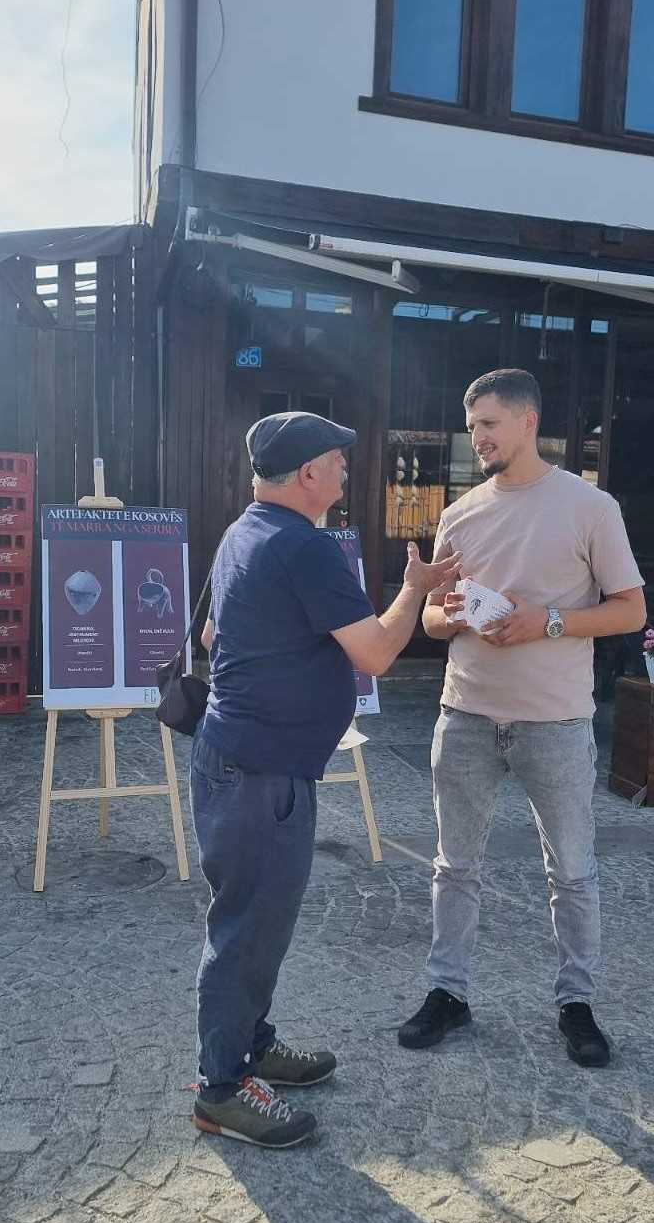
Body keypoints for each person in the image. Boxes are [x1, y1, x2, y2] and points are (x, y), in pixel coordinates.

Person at [192, 411, 462, 1148]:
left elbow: (212, 636)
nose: (347, 470)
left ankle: (251, 1046)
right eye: (339, 460)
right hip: (262, 771)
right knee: (246, 928)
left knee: (257, 922)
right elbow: (375, 653)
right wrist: (415, 589)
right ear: (309, 473)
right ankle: (221, 1088)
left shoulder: (244, 530)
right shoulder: (305, 547)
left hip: (239, 758)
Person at [398, 369, 645, 1067]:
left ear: (528, 422)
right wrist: (451, 614)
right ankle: (447, 992)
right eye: (471, 426)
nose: (477, 438)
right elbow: (432, 618)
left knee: (572, 871)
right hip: (465, 714)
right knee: (454, 866)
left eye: (488, 424)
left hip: (556, 722)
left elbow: (631, 610)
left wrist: (548, 622)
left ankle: (577, 1004)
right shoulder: (460, 513)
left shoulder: (590, 507)